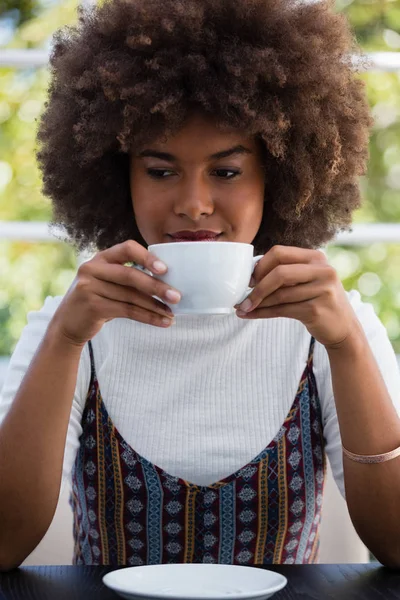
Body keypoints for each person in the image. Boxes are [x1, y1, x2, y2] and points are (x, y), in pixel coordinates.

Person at [1, 0, 400, 572]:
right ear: (120, 178)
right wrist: (65, 340)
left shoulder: (330, 325)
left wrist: (350, 345)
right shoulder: (72, 324)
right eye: (160, 171)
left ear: (279, 177)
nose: (193, 203)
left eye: (227, 171)